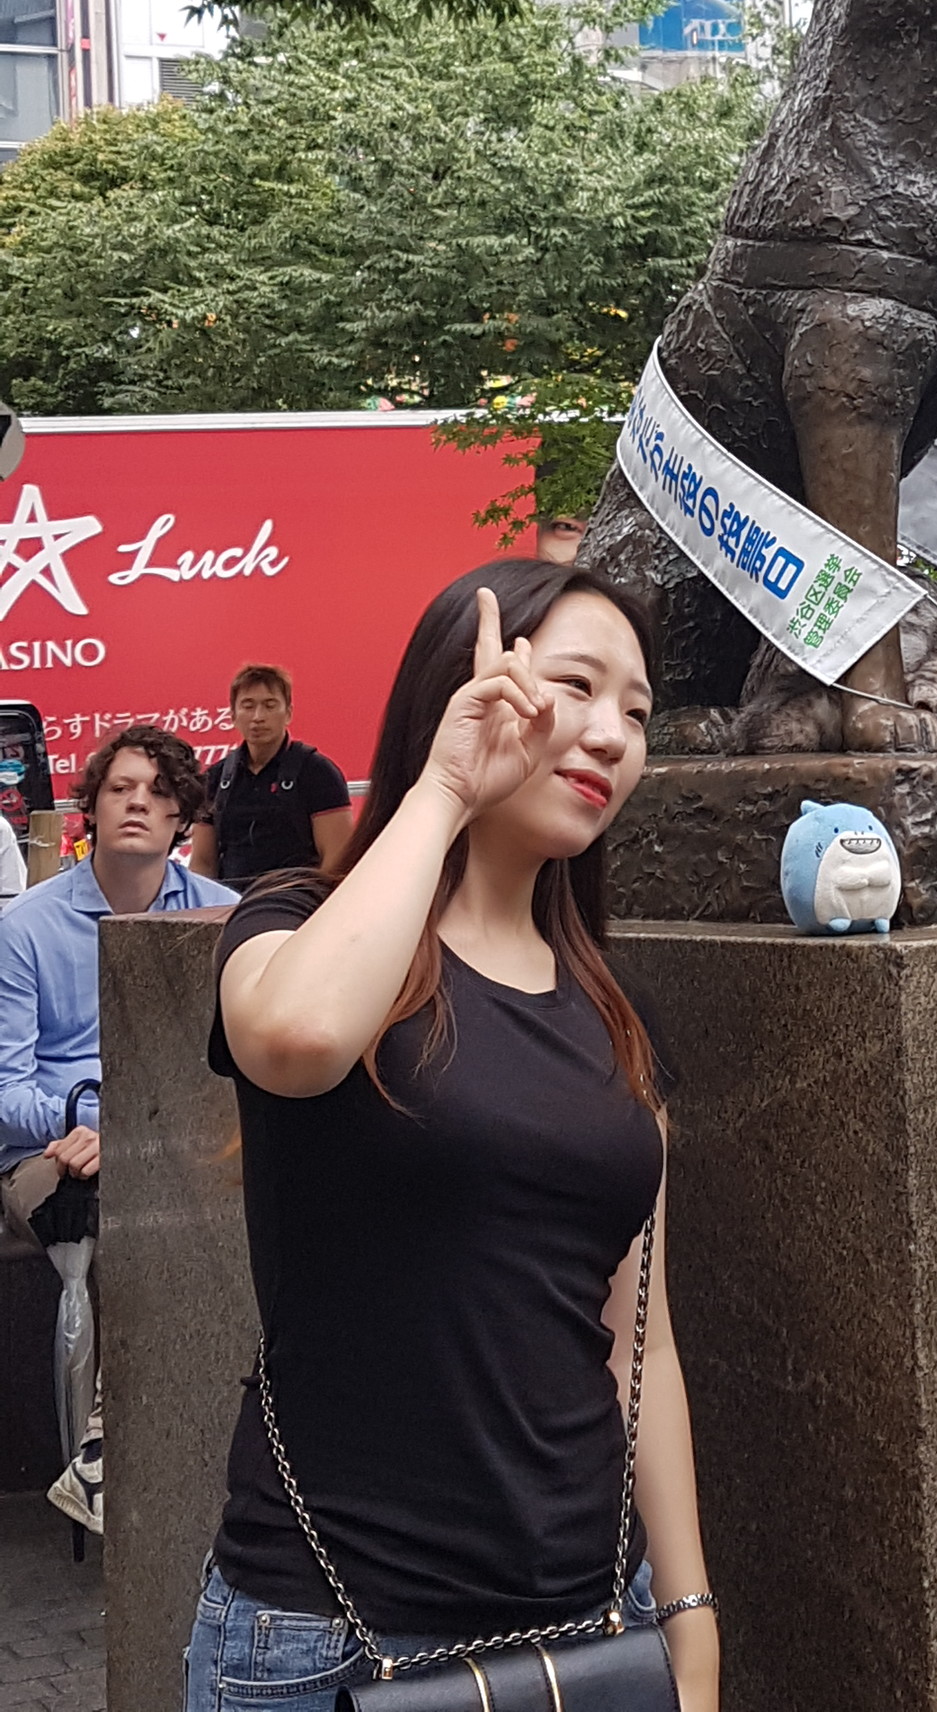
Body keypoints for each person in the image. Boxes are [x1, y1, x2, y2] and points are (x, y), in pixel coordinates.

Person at [184, 561, 718, 1712]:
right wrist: (444, 788)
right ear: (462, 690)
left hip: (589, 1629)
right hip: (331, 1635)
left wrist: (689, 1618)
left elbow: (642, 1343)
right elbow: (298, 1034)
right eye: (575, 685)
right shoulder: (295, 921)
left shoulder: (614, 1014)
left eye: (637, 711)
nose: (613, 733)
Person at [0, 725, 237, 1532]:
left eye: (161, 792)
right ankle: (110, 1448)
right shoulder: (28, 926)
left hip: (179, 1145)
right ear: (90, 810)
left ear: (183, 820)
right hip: (49, 1154)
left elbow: (242, 1065)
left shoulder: (226, 916)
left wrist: (135, 1132)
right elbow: (6, 1088)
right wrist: (97, 1125)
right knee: (117, 1197)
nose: (140, 802)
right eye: (122, 788)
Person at [189, 666, 352, 887]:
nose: (258, 717)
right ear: (233, 716)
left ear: (288, 713)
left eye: (269, 705)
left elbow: (337, 860)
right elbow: (202, 864)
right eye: (248, 706)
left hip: (294, 901)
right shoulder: (215, 779)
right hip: (228, 904)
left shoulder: (318, 772)